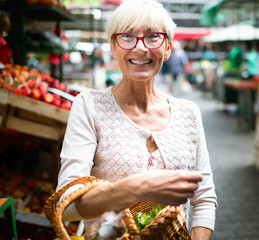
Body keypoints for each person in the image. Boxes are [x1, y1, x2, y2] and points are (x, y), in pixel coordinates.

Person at [56, 0, 217, 239]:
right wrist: (134, 188)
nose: (140, 48)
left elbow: (204, 198)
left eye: (153, 37)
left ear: (168, 48)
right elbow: (67, 205)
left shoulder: (189, 113)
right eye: (127, 37)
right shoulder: (89, 106)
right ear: (113, 47)